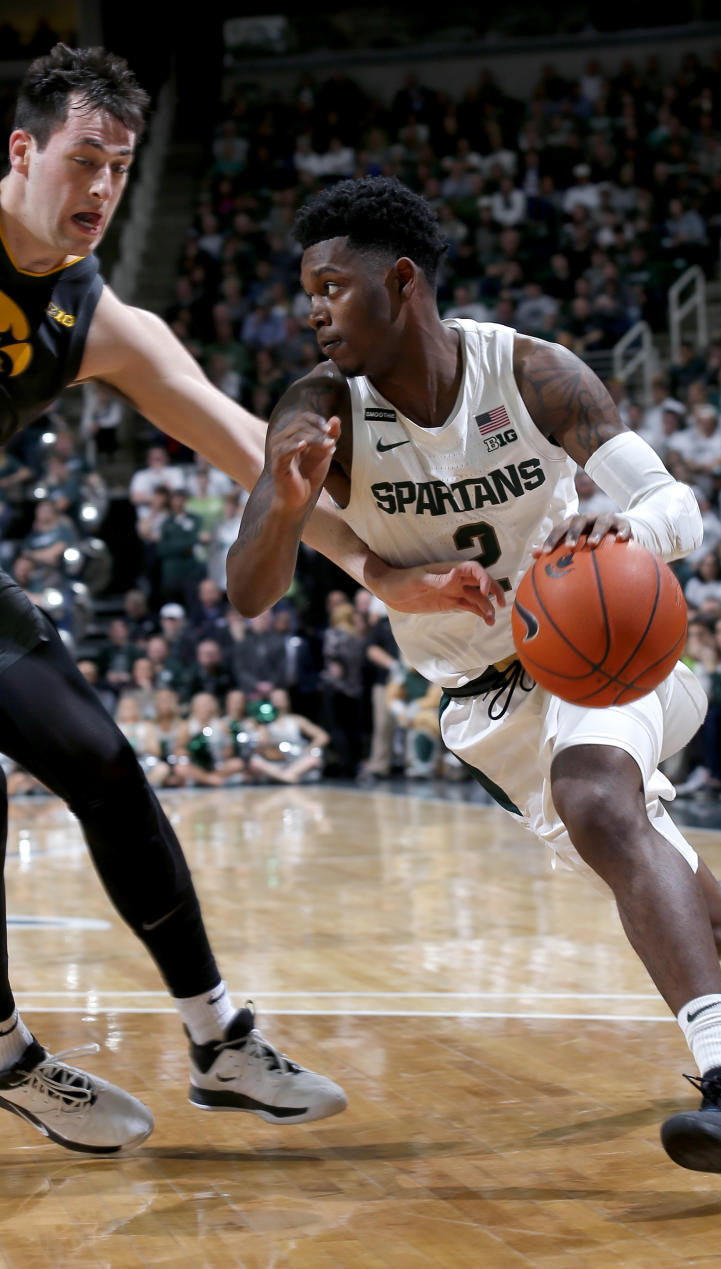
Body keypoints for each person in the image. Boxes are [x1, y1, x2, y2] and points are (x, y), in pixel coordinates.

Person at [226, 176, 721, 1184]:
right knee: (715, 923)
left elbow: (680, 507)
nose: (313, 311)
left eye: (333, 287)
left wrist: (627, 526)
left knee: (596, 797)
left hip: (605, 645)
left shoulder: (533, 374)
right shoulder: (316, 411)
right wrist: (287, 508)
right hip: (489, 708)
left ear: (403, 282)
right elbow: (249, 591)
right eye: (309, 292)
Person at [0, 46, 499, 1155]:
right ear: (24, 151)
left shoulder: (100, 321)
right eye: (83, 159)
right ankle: (9, 1057)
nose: (100, 189)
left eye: (121, 169)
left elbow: (251, 454)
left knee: (104, 763)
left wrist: (380, 575)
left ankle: (221, 1042)